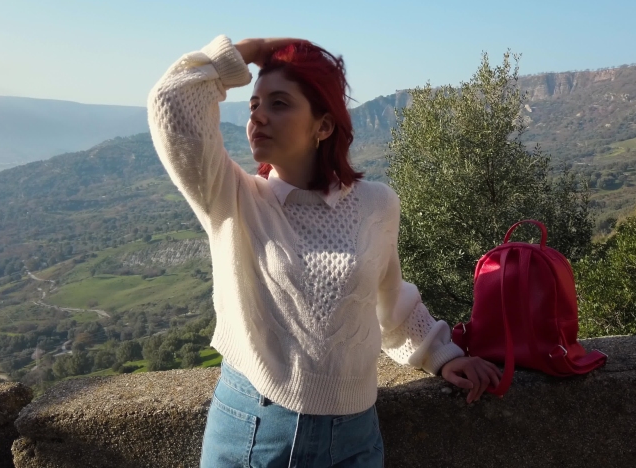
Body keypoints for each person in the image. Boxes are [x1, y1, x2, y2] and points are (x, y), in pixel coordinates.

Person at [148, 35, 502, 467]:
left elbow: (388, 301)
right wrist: (254, 50)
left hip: (355, 436)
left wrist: (442, 355)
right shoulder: (233, 198)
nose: (258, 116)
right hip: (256, 428)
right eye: (254, 105)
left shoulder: (377, 203)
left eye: (279, 103)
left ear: (324, 126)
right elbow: (171, 99)